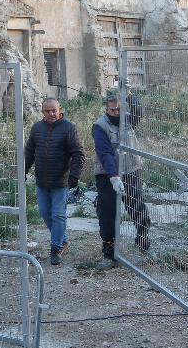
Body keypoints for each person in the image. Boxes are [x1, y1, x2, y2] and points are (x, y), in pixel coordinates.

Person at [92, 93, 151, 270]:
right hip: (106, 175)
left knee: (138, 208)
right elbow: (105, 153)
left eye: (119, 108)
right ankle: (109, 254)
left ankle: (144, 246)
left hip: (131, 170)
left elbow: (138, 111)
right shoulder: (99, 126)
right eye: (113, 109)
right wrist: (113, 176)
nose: (116, 112)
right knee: (107, 213)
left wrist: (131, 96)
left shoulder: (129, 120)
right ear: (106, 109)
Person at [24, 97, 84, 265]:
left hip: (61, 181)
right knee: (44, 213)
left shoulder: (69, 128)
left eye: (54, 110)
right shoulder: (36, 128)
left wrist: (74, 176)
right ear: (42, 112)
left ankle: (55, 248)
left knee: (58, 215)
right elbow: (29, 152)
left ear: (60, 110)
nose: (52, 113)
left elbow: (78, 153)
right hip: (42, 181)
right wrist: (23, 171)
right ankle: (63, 239)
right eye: (48, 111)